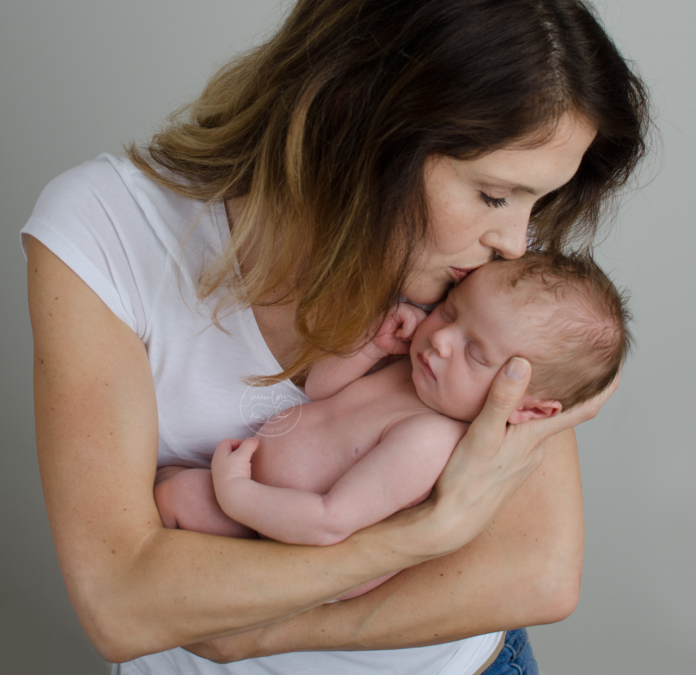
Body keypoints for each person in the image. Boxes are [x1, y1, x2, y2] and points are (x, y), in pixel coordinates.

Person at [23, 0, 650, 674]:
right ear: (358, 116)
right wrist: (418, 536)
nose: (515, 242)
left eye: (536, 202)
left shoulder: (480, 276)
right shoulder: (105, 231)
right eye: (494, 195)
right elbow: (122, 604)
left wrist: (257, 633)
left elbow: (536, 572)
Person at [155, 252, 632, 603]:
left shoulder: (429, 440)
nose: (442, 339)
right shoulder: (413, 369)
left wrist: (236, 492)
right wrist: (372, 347)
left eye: (476, 353)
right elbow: (318, 390)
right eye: (451, 310)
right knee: (171, 491)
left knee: (176, 500)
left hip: (289, 540)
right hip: (262, 498)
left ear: (528, 408)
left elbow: (330, 519)